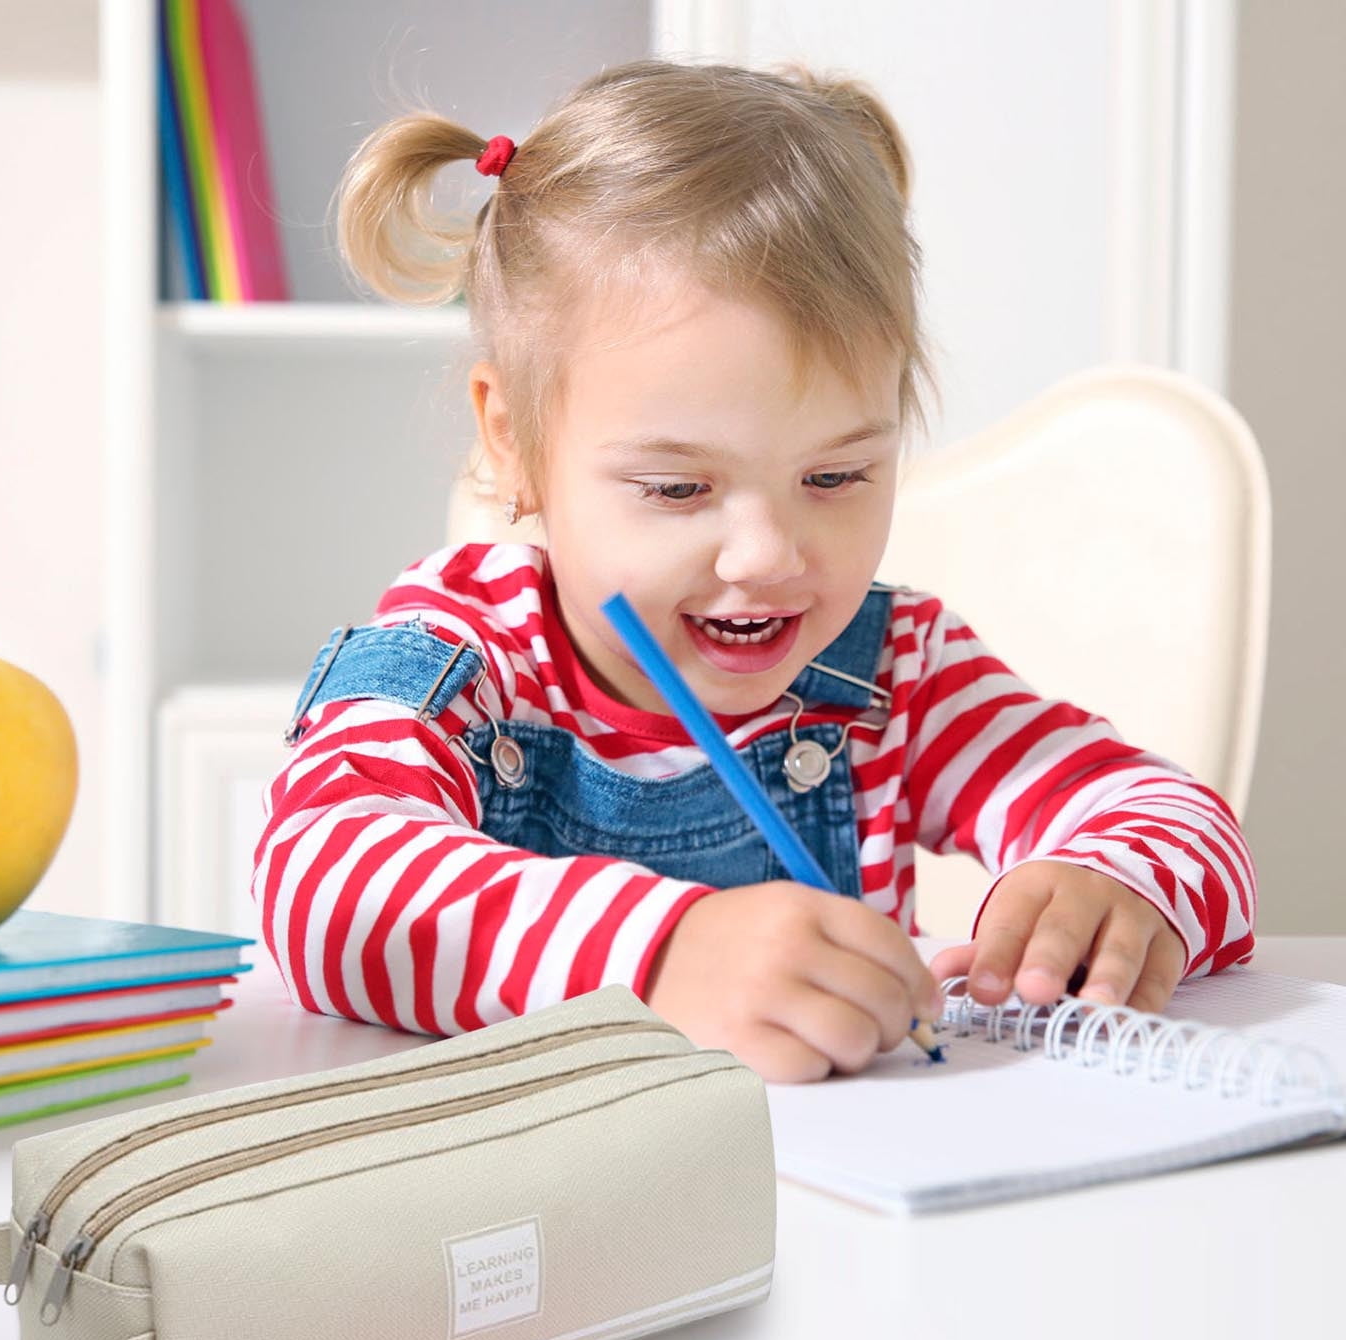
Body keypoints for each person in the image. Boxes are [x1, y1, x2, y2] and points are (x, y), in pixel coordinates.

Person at [251, 59, 1255, 1084]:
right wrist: (664, 958)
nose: (768, 554)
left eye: (834, 475)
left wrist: (1109, 882)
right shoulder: (465, 652)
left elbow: (1170, 812)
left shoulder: (891, 672)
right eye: (678, 488)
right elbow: (325, 886)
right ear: (512, 440)